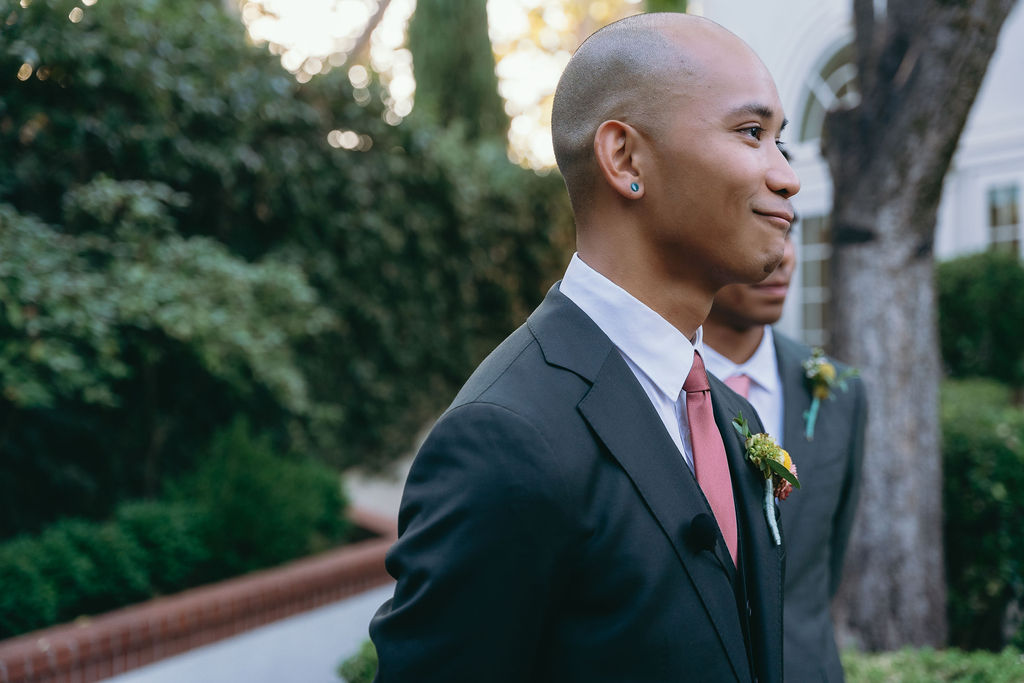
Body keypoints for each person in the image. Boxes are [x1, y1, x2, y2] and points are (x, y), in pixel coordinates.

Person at [370, 11, 800, 682]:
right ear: (626, 158)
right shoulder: (506, 439)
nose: (785, 177)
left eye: (781, 141)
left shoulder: (729, 415)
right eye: (752, 133)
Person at [703, 232, 867, 682]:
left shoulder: (842, 393)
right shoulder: (654, 388)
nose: (781, 256)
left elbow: (826, 561)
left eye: (788, 231)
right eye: (753, 228)